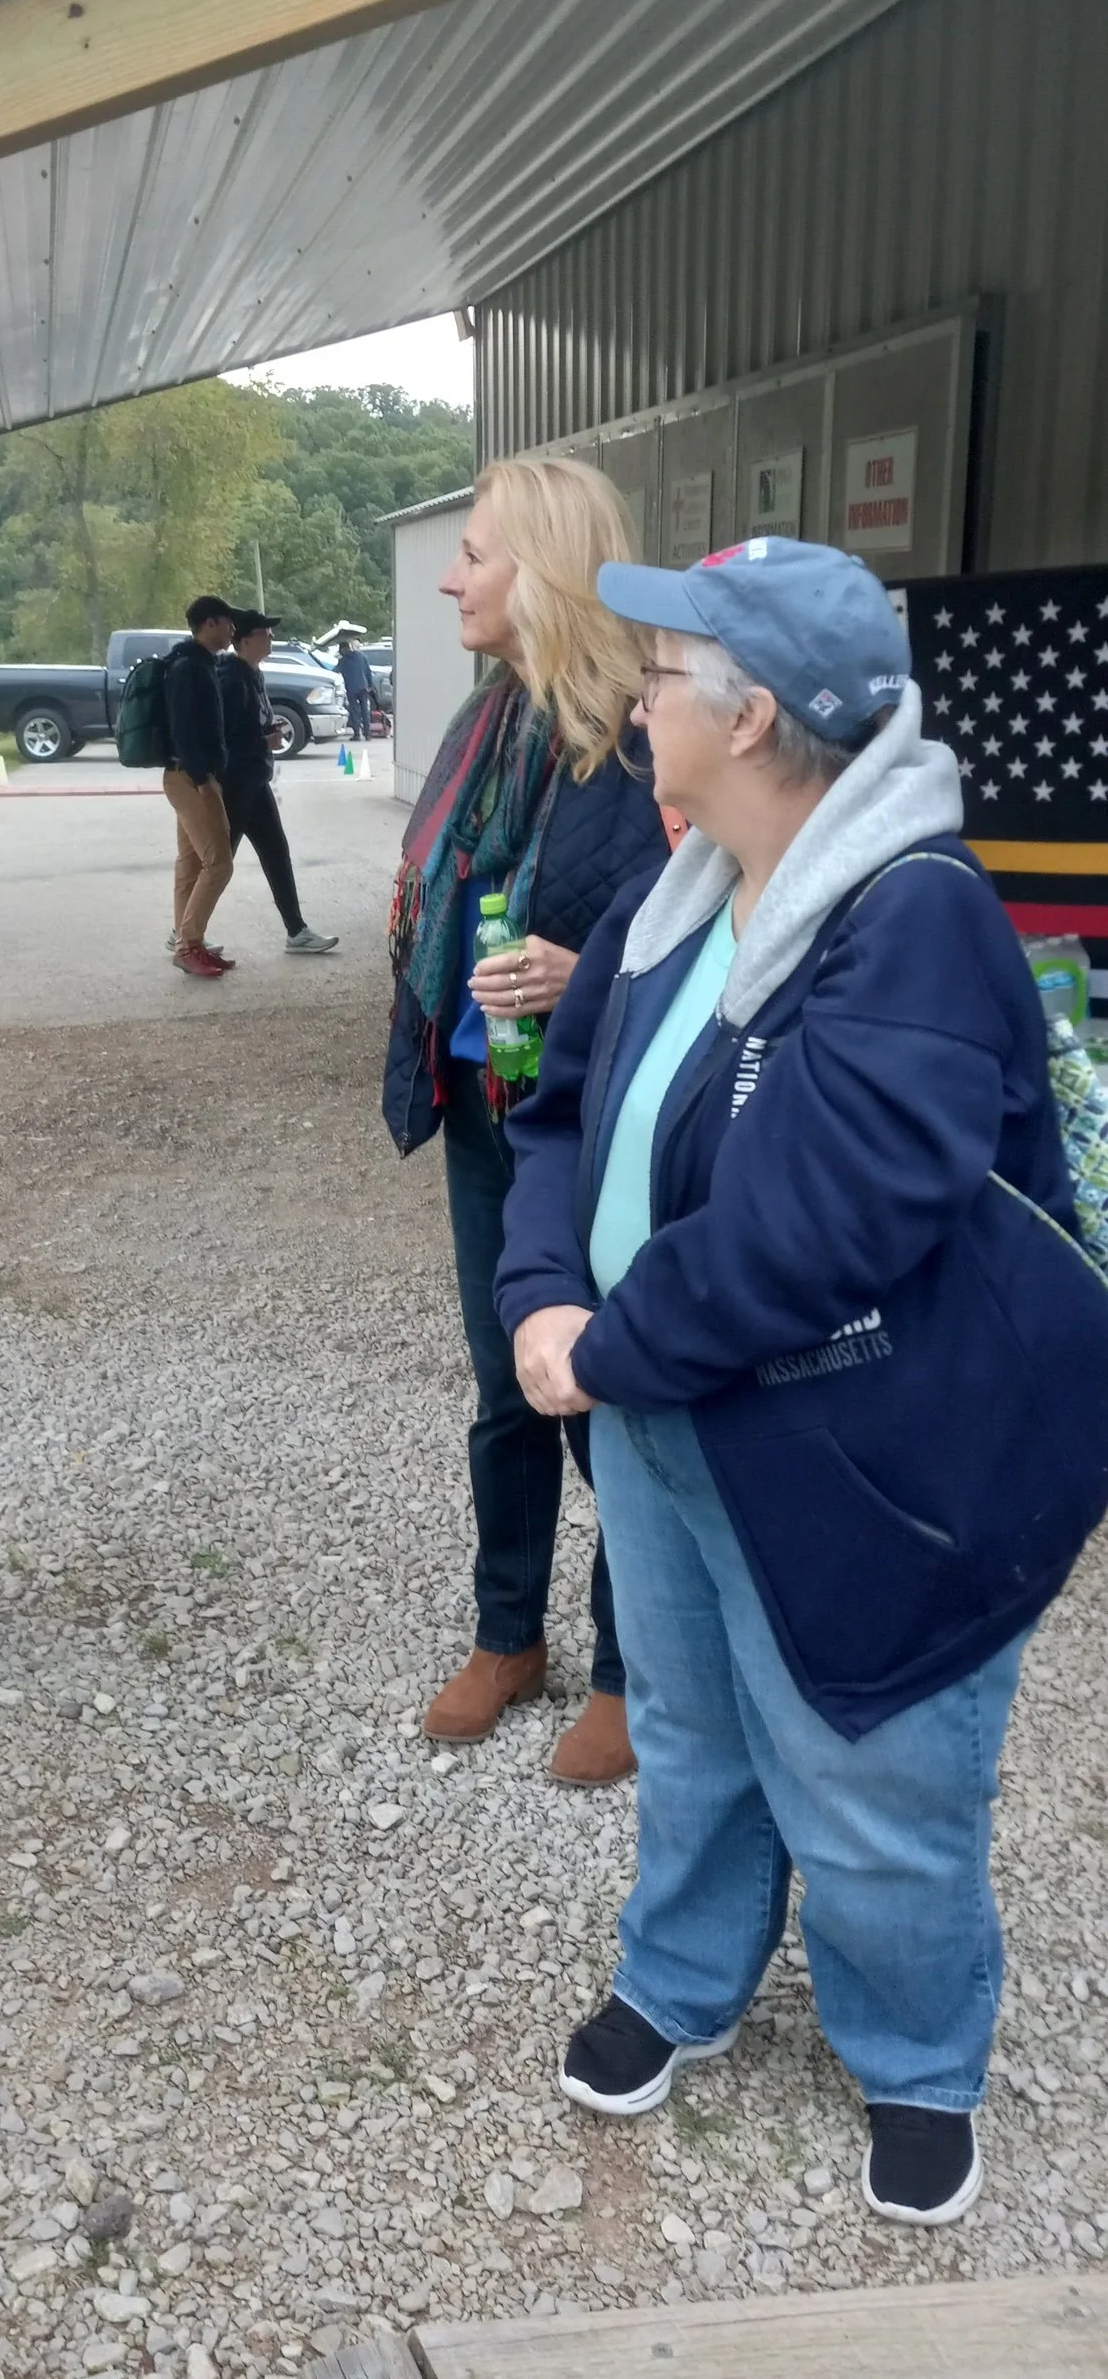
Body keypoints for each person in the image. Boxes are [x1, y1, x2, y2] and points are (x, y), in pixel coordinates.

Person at [498, 536, 1108, 2224]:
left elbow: (820, 1226)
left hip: (860, 1452)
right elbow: (563, 1114)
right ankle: (682, 1976)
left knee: (873, 1772)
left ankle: (914, 2056)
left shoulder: (915, 919)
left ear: (751, 715)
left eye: (661, 677)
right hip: (660, 1417)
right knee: (692, 1730)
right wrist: (544, 1292)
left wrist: (596, 1348)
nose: (634, 703)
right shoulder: (681, 895)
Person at [383, 459, 666, 1784]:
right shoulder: (482, 723)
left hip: (589, 1121)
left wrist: (581, 971)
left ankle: (628, 1667)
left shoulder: (643, 740)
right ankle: (509, 1637)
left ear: (542, 573)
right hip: (480, 1105)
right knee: (504, 1389)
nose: (451, 578)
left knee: (599, 1389)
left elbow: (701, 927)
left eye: (474, 554)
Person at [218, 609, 339, 955]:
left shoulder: (252, 674)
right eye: (263, 632)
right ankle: (185, 931)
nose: (270, 637)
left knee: (275, 852)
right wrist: (263, 741)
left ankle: (296, 931)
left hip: (255, 781)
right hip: (235, 784)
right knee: (218, 863)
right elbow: (224, 738)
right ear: (243, 640)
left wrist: (265, 734)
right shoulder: (231, 679)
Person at [163, 594, 237, 978]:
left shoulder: (195, 663)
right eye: (227, 622)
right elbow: (185, 731)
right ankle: (188, 946)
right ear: (209, 623)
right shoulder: (190, 668)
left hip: (186, 776)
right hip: (193, 778)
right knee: (219, 862)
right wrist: (204, 780)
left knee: (191, 864)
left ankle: (189, 941)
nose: (232, 630)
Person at [337, 635, 377, 742]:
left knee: (354, 711)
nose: (339, 652)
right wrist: (370, 685)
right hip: (363, 687)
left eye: (340, 649)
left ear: (344, 649)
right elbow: (368, 671)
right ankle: (367, 734)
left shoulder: (343, 661)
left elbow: (334, 672)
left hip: (351, 689)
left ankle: (357, 734)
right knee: (365, 711)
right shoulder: (361, 656)